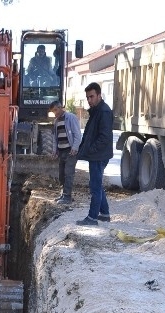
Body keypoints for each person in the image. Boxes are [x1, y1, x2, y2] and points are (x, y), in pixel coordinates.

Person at [76, 82, 114, 226]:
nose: (89, 100)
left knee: (95, 186)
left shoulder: (103, 111)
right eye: (87, 97)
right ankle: (104, 214)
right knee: (97, 184)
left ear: (99, 95)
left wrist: (91, 150)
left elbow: (104, 137)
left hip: (98, 156)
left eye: (92, 96)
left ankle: (92, 218)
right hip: (97, 155)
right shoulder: (97, 110)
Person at [49, 100, 82, 205]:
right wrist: (55, 151)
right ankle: (64, 194)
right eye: (53, 111)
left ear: (60, 108)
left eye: (55, 110)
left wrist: (75, 147)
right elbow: (55, 138)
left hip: (70, 151)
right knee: (62, 174)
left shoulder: (70, 118)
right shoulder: (56, 121)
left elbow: (77, 134)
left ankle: (67, 197)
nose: (55, 113)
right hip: (61, 151)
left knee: (69, 173)